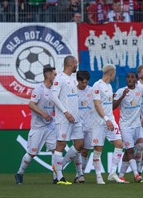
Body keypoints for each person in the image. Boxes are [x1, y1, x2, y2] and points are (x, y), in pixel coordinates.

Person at [15, 66, 57, 185]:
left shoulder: (54, 89)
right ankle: (19, 173)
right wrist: (43, 114)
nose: (55, 77)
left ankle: (56, 177)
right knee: (32, 153)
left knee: (55, 150)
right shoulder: (39, 89)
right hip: (38, 127)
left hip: (50, 126)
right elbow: (31, 105)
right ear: (48, 75)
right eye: (54, 74)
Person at [51, 55, 84, 185]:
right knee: (61, 145)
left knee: (80, 144)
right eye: (76, 63)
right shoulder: (59, 78)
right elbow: (53, 96)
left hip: (76, 118)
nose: (77, 65)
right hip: (64, 118)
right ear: (71, 64)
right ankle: (58, 177)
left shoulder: (72, 79)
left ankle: (59, 166)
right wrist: (65, 112)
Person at [113, 72, 143, 183]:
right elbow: (113, 106)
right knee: (129, 150)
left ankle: (121, 175)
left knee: (140, 146)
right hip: (125, 126)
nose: (130, 79)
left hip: (137, 125)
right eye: (128, 77)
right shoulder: (121, 91)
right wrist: (122, 96)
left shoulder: (140, 89)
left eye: (132, 77)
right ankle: (136, 175)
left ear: (136, 80)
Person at [91, 64, 125, 184]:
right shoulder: (97, 85)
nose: (115, 75)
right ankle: (98, 175)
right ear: (111, 73)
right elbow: (97, 104)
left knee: (119, 144)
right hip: (99, 122)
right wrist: (106, 119)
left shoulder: (109, 86)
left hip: (110, 120)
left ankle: (112, 173)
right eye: (114, 72)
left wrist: (109, 119)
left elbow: (108, 105)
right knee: (98, 149)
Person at [76, 70, 94, 182]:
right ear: (78, 81)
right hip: (77, 125)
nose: (84, 84)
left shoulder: (91, 90)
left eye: (86, 82)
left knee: (85, 151)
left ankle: (79, 175)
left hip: (89, 125)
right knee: (78, 148)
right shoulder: (73, 91)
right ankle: (80, 174)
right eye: (82, 82)